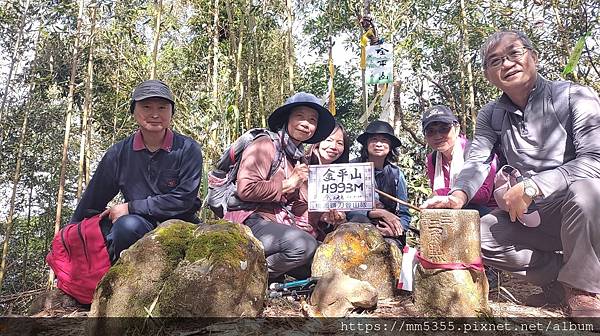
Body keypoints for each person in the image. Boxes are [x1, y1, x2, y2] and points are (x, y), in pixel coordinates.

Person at [422, 30, 600, 319]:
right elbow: (477, 160)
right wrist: (457, 197)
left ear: (534, 57)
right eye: (495, 61)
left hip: (576, 208)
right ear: (488, 75)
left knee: (590, 192)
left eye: (514, 54)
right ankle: (560, 279)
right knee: (473, 235)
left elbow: (595, 159)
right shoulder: (491, 114)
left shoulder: (573, 95)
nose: (506, 64)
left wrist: (534, 185)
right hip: (528, 214)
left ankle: (583, 289)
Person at [71, 80, 203, 264]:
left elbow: (183, 199)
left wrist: (130, 207)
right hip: (138, 224)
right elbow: (92, 202)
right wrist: (71, 234)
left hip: (181, 223)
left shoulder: (188, 149)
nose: (155, 114)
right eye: (146, 107)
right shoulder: (119, 153)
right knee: (123, 227)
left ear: (172, 112)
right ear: (133, 110)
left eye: (162, 107)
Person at [223, 92, 335, 282]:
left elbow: (297, 206)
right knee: (303, 246)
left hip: (277, 224)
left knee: (319, 258)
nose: (306, 123)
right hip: (250, 219)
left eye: (312, 120)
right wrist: (288, 184)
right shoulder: (266, 144)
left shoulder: (298, 157)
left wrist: (326, 216)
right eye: (300, 116)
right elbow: (246, 189)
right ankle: (249, 279)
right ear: (287, 119)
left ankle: (268, 275)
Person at [422, 105, 497, 216]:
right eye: (431, 131)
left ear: (456, 128)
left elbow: (484, 194)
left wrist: (441, 193)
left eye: (444, 129)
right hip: (453, 213)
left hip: (487, 212)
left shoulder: (476, 151)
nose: (437, 136)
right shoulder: (432, 160)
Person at [347, 120, 411, 248]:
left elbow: (404, 213)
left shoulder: (397, 174)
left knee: (390, 249)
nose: (379, 144)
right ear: (366, 144)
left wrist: (397, 230)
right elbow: (349, 210)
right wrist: (380, 213)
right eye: (374, 139)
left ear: (390, 146)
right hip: (358, 227)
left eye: (384, 140)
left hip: (388, 231)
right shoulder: (352, 169)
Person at [306, 122, 350, 240]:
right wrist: (320, 215)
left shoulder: (345, 176)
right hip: (301, 232)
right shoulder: (301, 165)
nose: (334, 147)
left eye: (340, 143)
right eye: (329, 140)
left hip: (326, 233)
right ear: (318, 142)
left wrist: (340, 219)